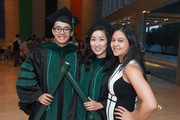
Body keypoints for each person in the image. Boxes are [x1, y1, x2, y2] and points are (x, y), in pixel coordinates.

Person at [16, 7, 82, 120]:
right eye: (58, 29)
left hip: (72, 111)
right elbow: (26, 77)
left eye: (66, 29)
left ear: (71, 32)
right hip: (46, 110)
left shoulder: (79, 55)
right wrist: (37, 95)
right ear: (53, 31)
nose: (62, 32)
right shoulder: (40, 53)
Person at [106, 25, 157, 120]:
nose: (115, 44)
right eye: (113, 40)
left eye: (120, 40)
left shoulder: (130, 68)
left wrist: (135, 118)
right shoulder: (122, 63)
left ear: (130, 43)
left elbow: (151, 104)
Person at [74, 18, 117, 120]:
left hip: (100, 115)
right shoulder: (83, 63)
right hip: (79, 114)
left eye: (101, 39)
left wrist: (101, 104)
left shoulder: (114, 66)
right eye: (93, 39)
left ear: (108, 41)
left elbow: (120, 94)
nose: (96, 44)